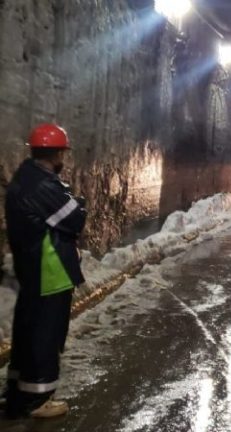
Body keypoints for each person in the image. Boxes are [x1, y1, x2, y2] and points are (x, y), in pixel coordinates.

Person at [2, 123, 87, 419]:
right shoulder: (43, 185)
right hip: (50, 270)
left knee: (28, 329)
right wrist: (79, 203)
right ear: (57, 153)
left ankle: (18, 391)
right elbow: (75, 219)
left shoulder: (25, 177)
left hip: (33, 268)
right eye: (62, 152)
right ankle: (38, 399)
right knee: (46, 334)